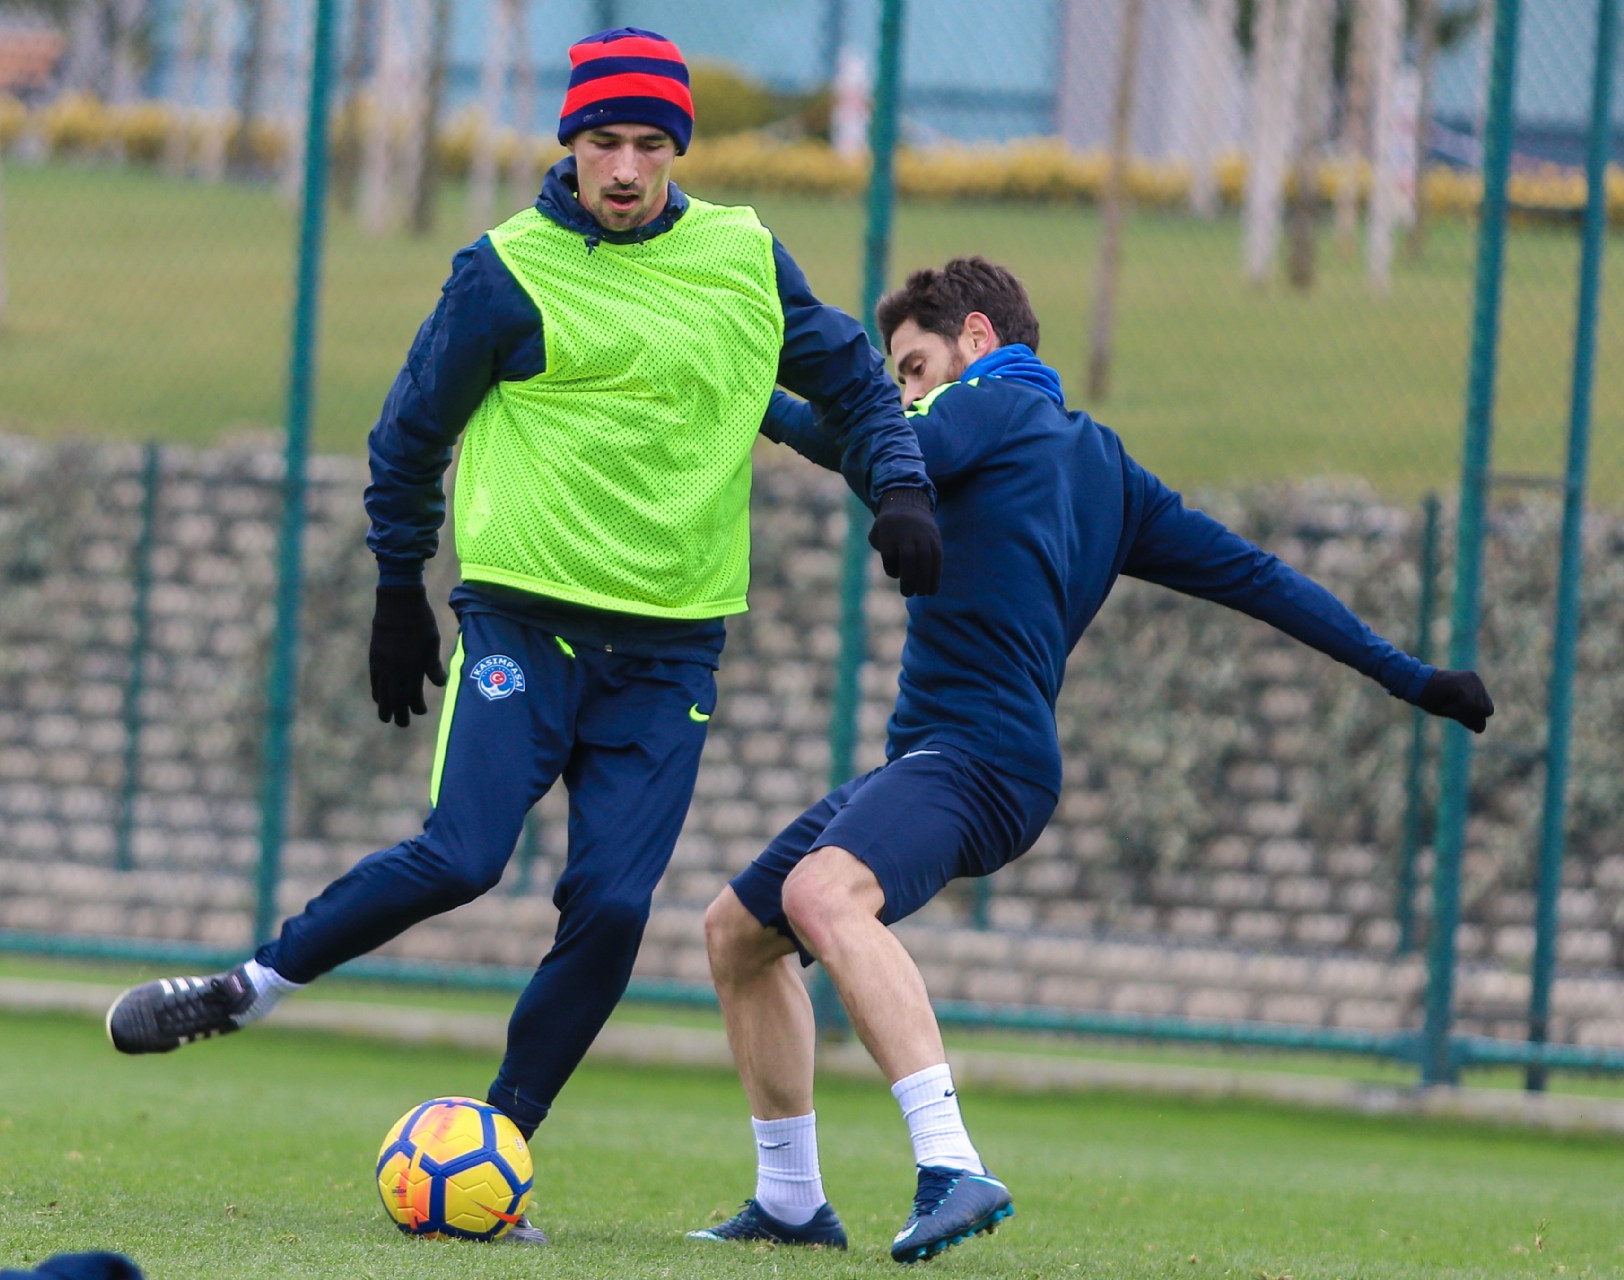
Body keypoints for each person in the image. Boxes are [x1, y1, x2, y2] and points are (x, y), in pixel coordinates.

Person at [103, 27, 944, 1243]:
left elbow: (858, 382)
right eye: (605, 141)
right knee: (461, 855)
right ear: (570, 142)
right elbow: (408, 436)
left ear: (677, 151)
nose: (626, 167)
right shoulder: (503, 271)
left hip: (671, 649)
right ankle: (248, 986)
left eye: (649, 144)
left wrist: (902, 487)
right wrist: (398, 585)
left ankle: (495, 1147)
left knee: (611, 906)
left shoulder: (742, 255)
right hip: (522, 622)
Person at [692, 256, 1495, 1263]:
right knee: (738, 931)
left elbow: (884, 442)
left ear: (979, 340)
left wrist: (749, 384)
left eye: (914, 368)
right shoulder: (1107, 467)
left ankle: (951, 1163)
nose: (905, 394)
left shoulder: (985, 405)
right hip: (959, 759)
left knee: (822, 894)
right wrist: (1408, 675)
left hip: (977, 754)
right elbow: (1260, 578)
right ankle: (790, 1200)